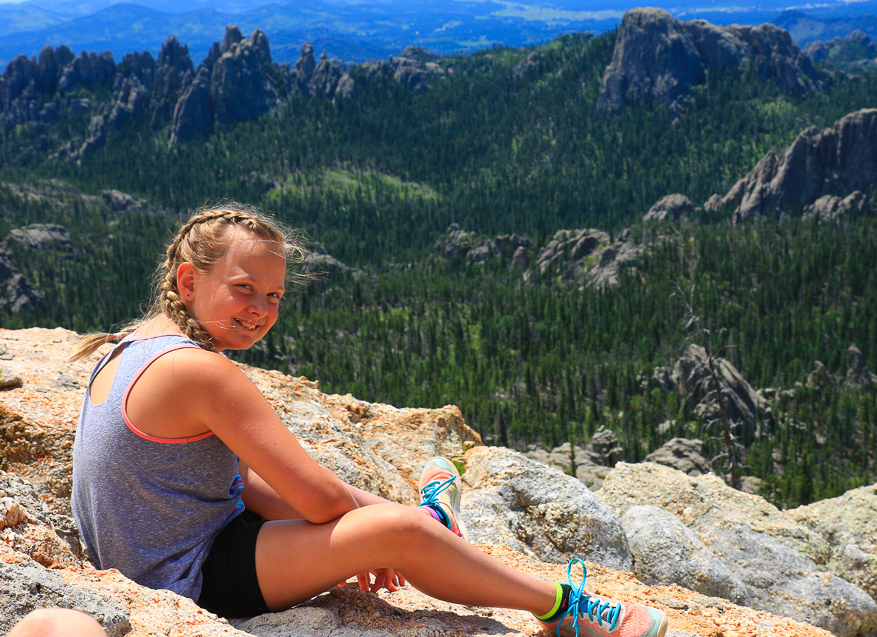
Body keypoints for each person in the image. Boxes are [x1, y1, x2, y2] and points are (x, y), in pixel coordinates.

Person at [69, 204, 668, 637]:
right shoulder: (201, 372)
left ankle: (428, 521)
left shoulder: (129, 345)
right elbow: (320, 498)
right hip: (186, 576)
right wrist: (369, 540)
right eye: (244, 288)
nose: (260, 310)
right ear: (187, 281)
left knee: (337, 507)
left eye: (274, 296)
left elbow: (216, 481)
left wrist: (353, 528)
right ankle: (564, 608)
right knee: (396, 535)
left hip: (168, 544)